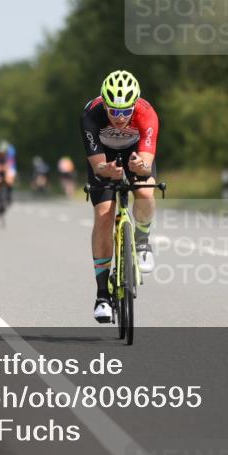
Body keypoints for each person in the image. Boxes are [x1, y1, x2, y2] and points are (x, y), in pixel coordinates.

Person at [80, 69, 158, 323]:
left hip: (135, 155)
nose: (120, 117)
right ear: (105, 104)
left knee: (145, 191)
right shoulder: (91, 114)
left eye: (126, 111)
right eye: (113, 111)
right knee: (104, 216)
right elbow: (97, 166)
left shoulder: (147, 113)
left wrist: (140, 167)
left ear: (134, 104)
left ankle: (142, 240)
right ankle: (102, 295)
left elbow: (146, 164)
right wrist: (107, 170)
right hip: (105, 158)